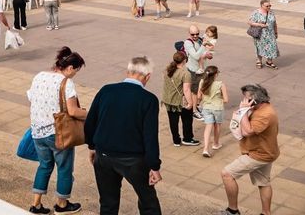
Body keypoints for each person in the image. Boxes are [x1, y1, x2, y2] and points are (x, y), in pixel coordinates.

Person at [84, 56, 163, 215]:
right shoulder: (148, 99)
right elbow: (150, 136)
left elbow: (90, 122)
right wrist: (154, 166)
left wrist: (92, 146)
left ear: (128, 71)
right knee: (148, 202)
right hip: (133, 159)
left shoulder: (106, 90)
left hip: (104, 155)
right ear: (147, 76)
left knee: (107, 202)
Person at [26, 47, 87, 214]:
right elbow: (73, 111)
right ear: (69, 68)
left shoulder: (39, 76)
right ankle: (62, 204)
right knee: (64, 168)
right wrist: (90, 114)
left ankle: (36, 204)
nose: (75, 73)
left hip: (37, 132)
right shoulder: (66, 83)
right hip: (58, 133)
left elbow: (32, 100)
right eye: (76, 70)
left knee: (44, 166)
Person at [220, 84, 280, 215]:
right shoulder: (262, 109)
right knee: (263, 182)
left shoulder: (265, 114)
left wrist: (243, 111)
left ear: (255, 100)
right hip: (266, 152)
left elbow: (247, 131)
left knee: (227, 174)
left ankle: (232, 210)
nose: (243, 101)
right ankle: (266, 213)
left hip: (258, 155)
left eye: (246, 99)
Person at [161, 52, 199, 147]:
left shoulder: (167, 70)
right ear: (185, 60)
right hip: (180, 101)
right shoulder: (185, 73)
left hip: (168, 100)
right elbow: (186, 90)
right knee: (187, 120)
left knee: (173, 121)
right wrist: (190, 103)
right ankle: (187, 138)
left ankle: (176, 140)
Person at [196, 65, 229, 158]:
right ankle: (216, 143)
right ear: (215, 75)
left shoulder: (202, 82)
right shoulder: (221, 84)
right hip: (218, 108)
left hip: (206, 107)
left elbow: (198, 97)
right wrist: (219, 99)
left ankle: (205, 148)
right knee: (217, 126)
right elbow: (226, 100)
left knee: (208, 127)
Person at [183, 25, 210, 112]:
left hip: (202, 69)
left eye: (197, 34)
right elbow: (196, 56)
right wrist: (203, 45)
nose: (195, 36)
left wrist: (209, 55)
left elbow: (205, 52)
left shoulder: (200, 40)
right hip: (193, 70)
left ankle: (196, 105)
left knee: (201, 90)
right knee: (194, 91)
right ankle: (194, 110)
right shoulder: (188, 43)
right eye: (192, 34)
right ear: (189, 33)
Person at [248, 0, 279, 69]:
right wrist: (260, 25)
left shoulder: (271, 12)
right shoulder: (256, 12)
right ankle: (259, 61)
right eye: (267, 6)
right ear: (262, 5)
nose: (269, 7)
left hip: (270, 34)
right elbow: (249, 22)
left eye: (270, 5)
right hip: (260, 34)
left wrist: (276, 32)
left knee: (272, 47)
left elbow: (275, 23)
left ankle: (269, 62)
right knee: (259, 47)